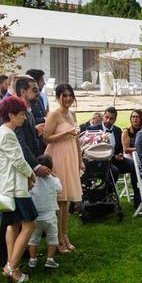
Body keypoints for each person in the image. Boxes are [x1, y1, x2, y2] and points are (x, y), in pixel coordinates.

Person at [0, 96, 37, 283]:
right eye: (21, 114)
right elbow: (18, 161)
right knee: (30, 225)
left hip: (9, 187)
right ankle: (11, 266)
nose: (24, 118)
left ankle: (12, 267)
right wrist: (32, 174)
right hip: (16, 188)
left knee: (13, 225)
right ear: (10, 115)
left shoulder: (3, 132)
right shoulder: (7, 133)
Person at [44, 83, 83, 252]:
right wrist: (66, 133)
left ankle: (64, 234)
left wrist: (79, 160)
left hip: (70, 155)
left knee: (66, 200)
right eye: (64, 95)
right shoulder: (54, 114)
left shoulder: (72, 113)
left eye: (69, 95)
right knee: (59, 199)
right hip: (57, 156)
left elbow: (76, 140)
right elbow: (47, 138)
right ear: (58, 97)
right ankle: (57, 238)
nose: (67, 98)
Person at [88, 106, 140, 210]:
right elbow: (90, 149)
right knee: (114, 171)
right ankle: (108, 195)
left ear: (115, 119)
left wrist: (120, 154)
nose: (108, 120)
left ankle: (138, 198)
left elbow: (120, 148)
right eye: (106, 117)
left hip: (115, 160)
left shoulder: (116, 130)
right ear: (103, 116)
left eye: (111, 118)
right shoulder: (93, 129)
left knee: (134, 166)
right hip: (99, 162)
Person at [27, 155, 61, 269]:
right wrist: (54, 176)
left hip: (35, 216)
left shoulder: (33, 181)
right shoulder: (54, 180)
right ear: (50, 167)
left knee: (33, 239)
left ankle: (32, 259)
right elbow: (60, 189)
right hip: (50, 215)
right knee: (52, 237)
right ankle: (50, 259)